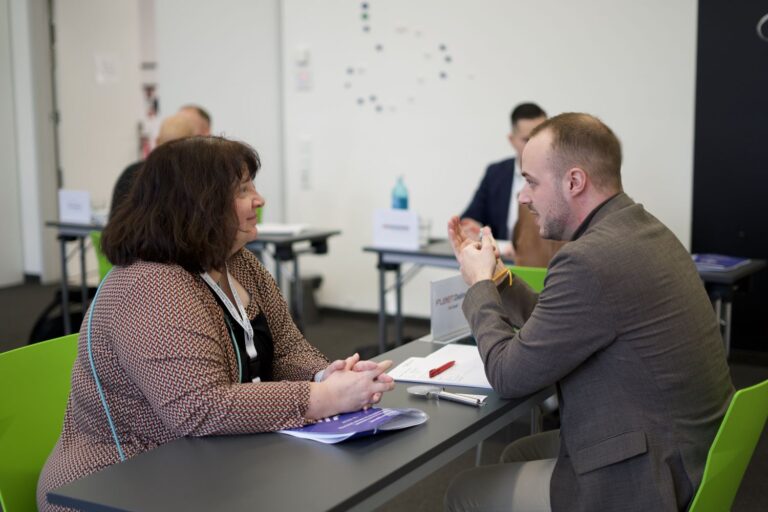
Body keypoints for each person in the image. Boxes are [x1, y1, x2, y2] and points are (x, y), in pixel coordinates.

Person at [37, 136, 394, 512]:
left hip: (208, 459)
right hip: (117, 482)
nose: (259, 199)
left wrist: (327, 376)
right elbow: (199, 407)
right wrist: (322, 399)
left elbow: (288, 347)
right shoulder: (149, 284)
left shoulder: (237, 261)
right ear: (199, 204)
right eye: (243, 190)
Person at [445, 113, 734, 511]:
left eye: (531, 182)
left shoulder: (590, 259)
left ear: (574, 182)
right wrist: (497, 278)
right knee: (518, 453)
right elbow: (560, 323)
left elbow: (508, 375)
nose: (523, 197)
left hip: (653, 476)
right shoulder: (641, 230)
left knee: (464, 491)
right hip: (688, 449)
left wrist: (479, 287)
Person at [460, 102, 565, 267]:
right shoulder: (496, 173)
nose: (535, 146)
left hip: (545, 267)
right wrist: (474, 231)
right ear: (512, 140)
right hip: (500, 264)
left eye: (540, 138)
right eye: (527, 139)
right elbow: (471, 218)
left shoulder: (561, 176)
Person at [109, 113, 196, 216]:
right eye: (169, 147)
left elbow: (115, 223)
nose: (172, 155)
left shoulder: (133, 173)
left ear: (157, 141)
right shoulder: (198, 178)